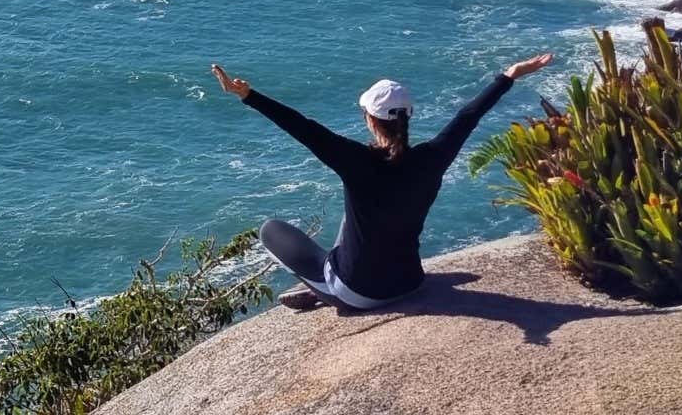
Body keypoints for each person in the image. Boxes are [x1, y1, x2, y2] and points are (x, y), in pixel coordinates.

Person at [210, 53, 554, 311]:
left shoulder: (356, 160)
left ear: (370, 120)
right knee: (355, 218)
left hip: (360, 294)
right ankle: (326, 284)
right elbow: (468, 116)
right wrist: (508, 75)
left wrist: (248, 95)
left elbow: (303, 126)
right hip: (410, 282)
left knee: (272, 230)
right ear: (409, 118)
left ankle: (325, 292)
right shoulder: (433, 157)